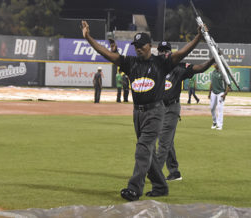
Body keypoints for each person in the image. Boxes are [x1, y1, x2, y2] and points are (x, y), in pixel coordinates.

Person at [81, 20, 203, 201]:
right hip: (137, 113)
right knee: (148, 153)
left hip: (155, 112)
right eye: (135, 46)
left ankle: (134, 188)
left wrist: (199, 37)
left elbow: (182, 53)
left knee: (142, 149)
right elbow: (106, 53)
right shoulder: (130, 63)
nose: (138, 48)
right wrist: (88, 37)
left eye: (141, 45)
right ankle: (161, 186)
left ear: (150, 46)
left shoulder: (161, 62)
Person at [156, 41, 215, 181]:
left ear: (170, 52)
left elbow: (200, 68)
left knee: (163, 142)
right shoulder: (155, 67)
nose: (164, 53)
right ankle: (174, 172)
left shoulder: (179, 67)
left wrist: (213, 59)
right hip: (158, 108)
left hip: (171, 108)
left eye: (166, 51)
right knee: (167, 140)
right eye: (161, 51)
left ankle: (155, 173)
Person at [208, 64, 231, 130]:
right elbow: (211, 83)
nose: (214, 64)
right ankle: (214, 122)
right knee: (212, 108)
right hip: (213, 93)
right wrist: (209, 93)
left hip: (221, 93)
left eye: (216, 63)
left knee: (220, 108)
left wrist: (225, 94)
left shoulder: (223, 73)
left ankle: (219, 125)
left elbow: (229, 85)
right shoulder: (213, 72)